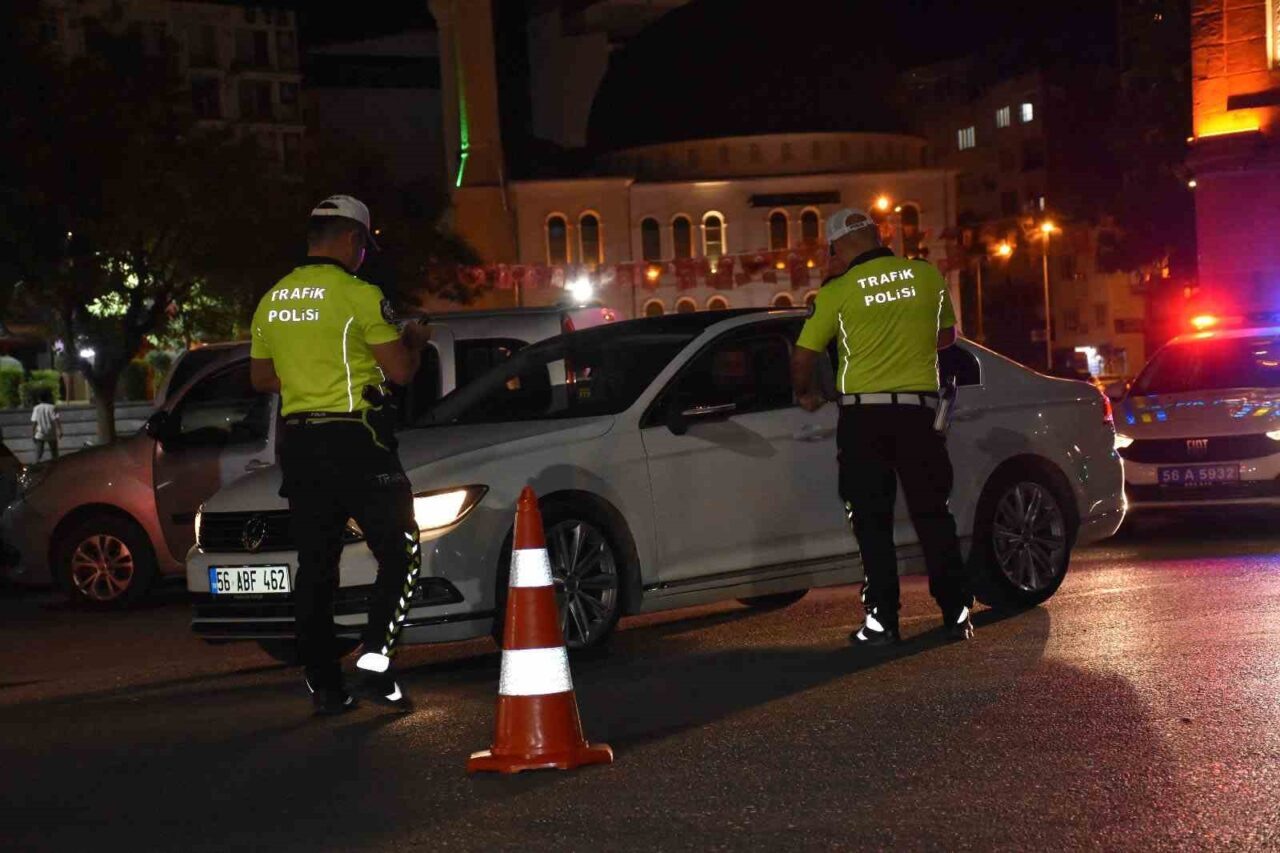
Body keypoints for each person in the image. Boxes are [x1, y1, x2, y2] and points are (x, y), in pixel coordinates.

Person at [249, 195, 433, 715]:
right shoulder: (358, 294)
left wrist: (309, 374)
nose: (365, 256)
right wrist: (413, 340)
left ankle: (325, 686)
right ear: (352, 240)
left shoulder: (272, 299)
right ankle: (375, 659)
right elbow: (400, 372)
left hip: (301, 445)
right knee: (400, 551)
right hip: (358, 441)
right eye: (364, 246)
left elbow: (262, 378)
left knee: (316, 567)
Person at [791, 208, 974, 646]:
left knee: (872, 522)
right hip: (918, 414)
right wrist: (903, 338)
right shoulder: (926, 276)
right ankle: (957, 613)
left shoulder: (838, 291)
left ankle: (882, 622)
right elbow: (946, 336)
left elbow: (803, 355)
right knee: (934, 514)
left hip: (864, 419)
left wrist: (805, 394)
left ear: (835, 248)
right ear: (878, 235)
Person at [31, 389, 61, 462]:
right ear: (48, 398)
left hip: (40, 434)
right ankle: (56, 466)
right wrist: (60, 430)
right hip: (51, 433)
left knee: (38, 453)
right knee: (54, 453)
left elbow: (34, 422)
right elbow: (56, 420)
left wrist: (32, 433)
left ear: (39, 399)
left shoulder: (36, 408)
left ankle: (36, 466)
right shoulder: (52, 407)